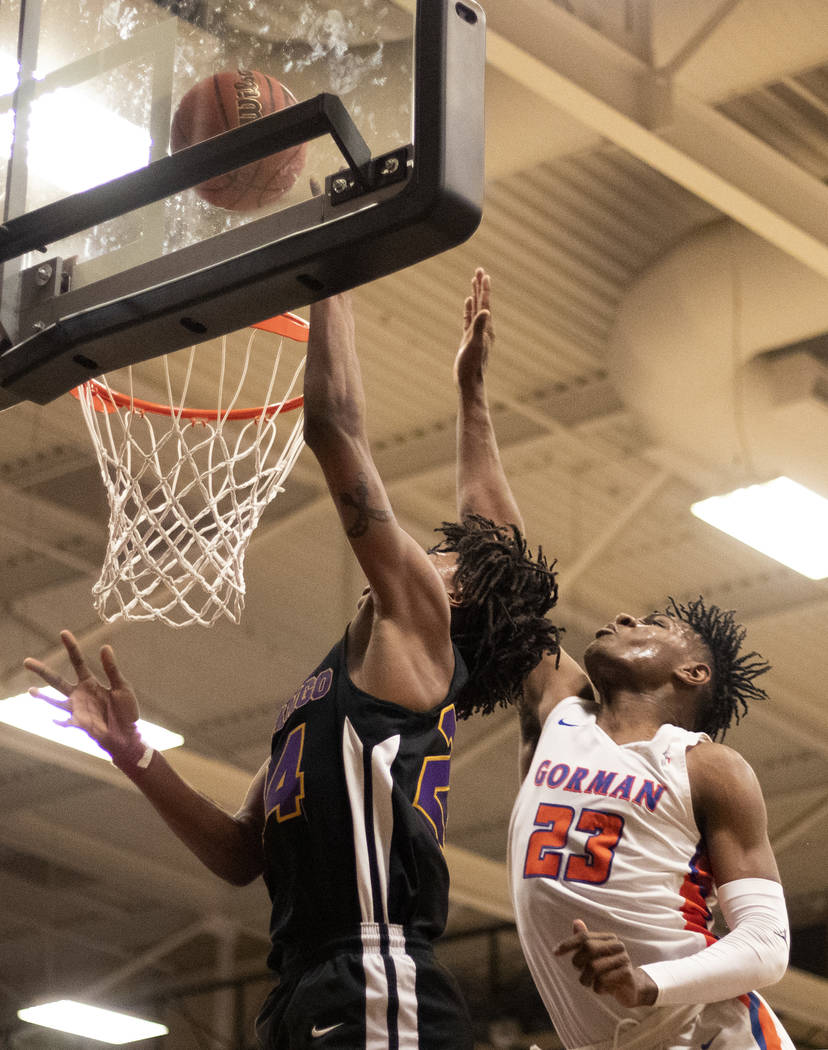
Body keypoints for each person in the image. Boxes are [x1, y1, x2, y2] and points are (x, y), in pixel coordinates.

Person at [25, 290, 560, 1050]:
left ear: (459, 593)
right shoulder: (341, 685)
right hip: (308, 984)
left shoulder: (422, 632)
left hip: (376, 978)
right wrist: (136, 755)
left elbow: (333, 425)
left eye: (446, 554)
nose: (429, 546)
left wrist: (330, 275)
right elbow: (244, 851)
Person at [453, 267, 795, 1050]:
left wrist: (648, 981)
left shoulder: (707, 768)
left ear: (692, 675)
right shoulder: (558, 710)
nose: (625, 616)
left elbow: (767, 949)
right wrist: (472, 399)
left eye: (656, 624)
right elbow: (496, 566)